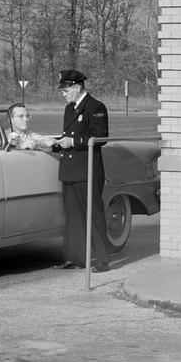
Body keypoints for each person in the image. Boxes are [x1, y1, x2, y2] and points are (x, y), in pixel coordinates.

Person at [51, 69, 110, 272]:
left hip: (87, 172)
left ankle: (102, 260)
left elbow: (101, 138)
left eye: (66, 89)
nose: (63, 93)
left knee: (93, 215)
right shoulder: (70, 108)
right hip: (70, 170)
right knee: (73, 216)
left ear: (77, 87)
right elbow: (67, 135)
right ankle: (75, 258)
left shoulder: (95, 107)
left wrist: (73, 142)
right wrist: (56, 143)